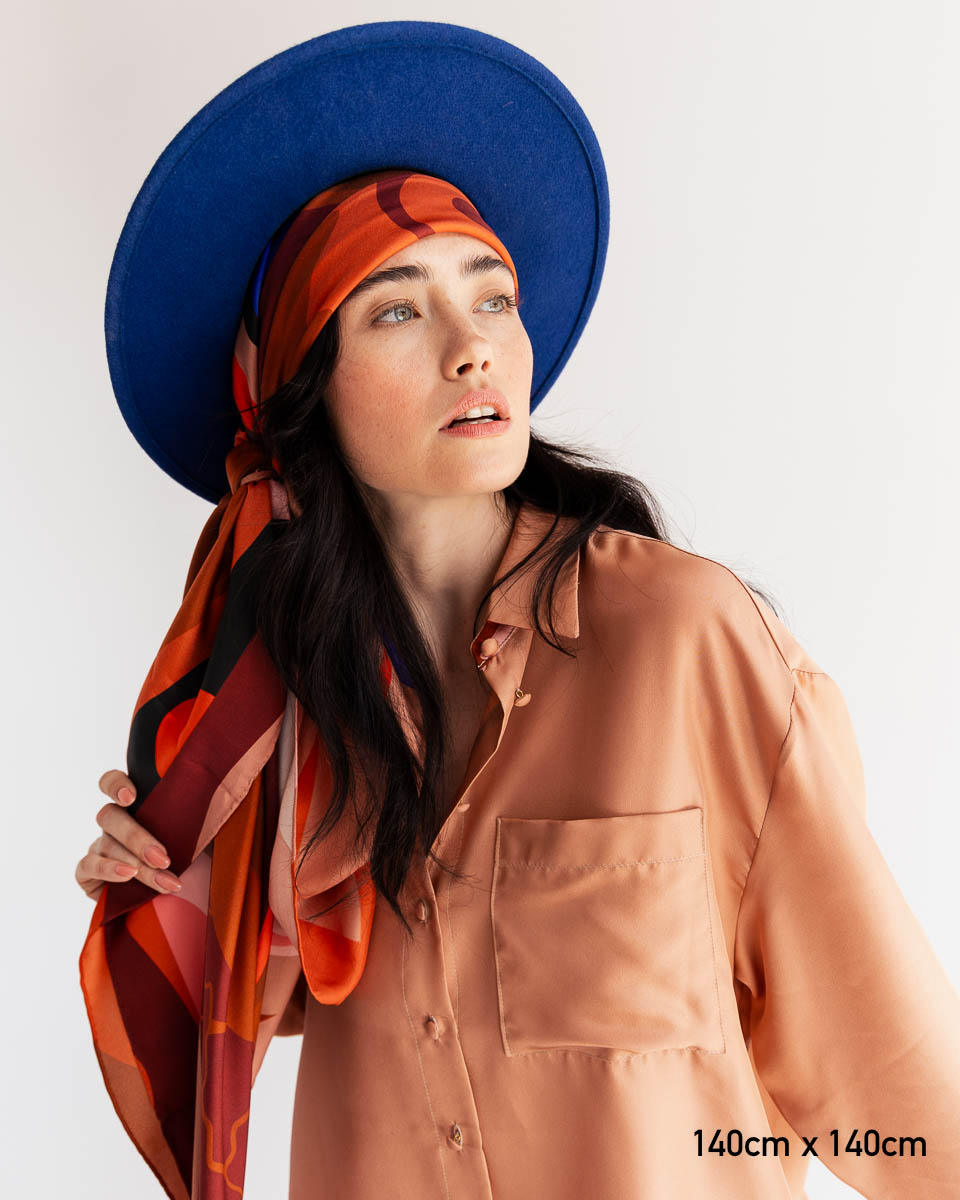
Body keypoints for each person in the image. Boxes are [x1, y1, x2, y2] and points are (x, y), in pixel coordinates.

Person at [76, 22, 960, 1200]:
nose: (472, 350)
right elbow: (240, 1016)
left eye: (492, 299)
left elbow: (909, 1111)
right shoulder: (278, 721)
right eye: (396, 312)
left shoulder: (686, 645)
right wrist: (169, 881)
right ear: (305, 387)